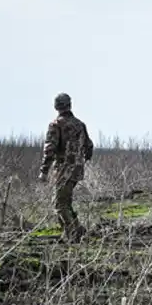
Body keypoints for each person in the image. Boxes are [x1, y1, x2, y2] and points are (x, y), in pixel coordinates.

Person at [38, 93, 94, 239]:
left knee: (59, 204)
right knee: (66, 202)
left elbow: (49, 149)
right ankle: (79, 231)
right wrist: (80, 161)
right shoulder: (80, 124)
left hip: (63, 170)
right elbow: (89, 146)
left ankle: (72, 234)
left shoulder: (56, 125)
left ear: (56, 106)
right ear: (69, 104)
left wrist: (44, 171)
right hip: (77, 170)